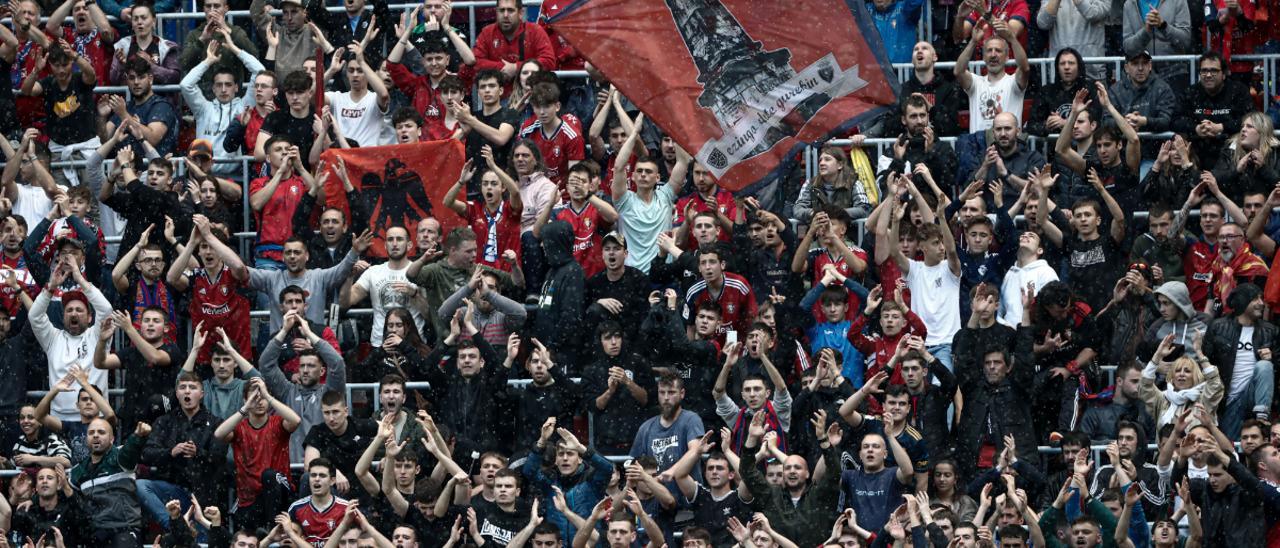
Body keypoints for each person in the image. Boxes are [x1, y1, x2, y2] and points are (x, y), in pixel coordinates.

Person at [737, 410, 843, 548]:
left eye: (797, 468)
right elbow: (747, 471)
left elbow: (834, 472)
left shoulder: (819, 494)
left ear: (807, 474)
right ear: (782, 474)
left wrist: (823, 438)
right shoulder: (770, 494)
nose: (792, 471)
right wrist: (751, 437)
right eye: (787, 468)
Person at [30, 255, 111, 424]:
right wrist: (51, 286)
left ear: (90, 317)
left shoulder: (97, 335)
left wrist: (79, 278)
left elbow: (106, 309)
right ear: (63, 316)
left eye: (79, 310)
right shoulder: (53, 339)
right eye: (69, 310)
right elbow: (35, 316)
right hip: (60, 420)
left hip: (96, 419)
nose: (74, 313)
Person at [214, 377, 302, 532]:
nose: (260, 401)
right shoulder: (239, 428)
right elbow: (219, 434)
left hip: (281, 492)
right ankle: (266, 533)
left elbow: (296, 420)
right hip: (250, 500)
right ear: (245, 400)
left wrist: (268, 396)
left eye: (263, 397)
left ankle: (271, 529)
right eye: (255, 398)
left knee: (269, 475)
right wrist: (245, 408)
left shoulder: (277, 422)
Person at [137, 372, 224, 528]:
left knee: (201, 543)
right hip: (172, 490)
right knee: (141, 486)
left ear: (202, 394)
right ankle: (173, 525)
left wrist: (198, 454)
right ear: (177, 393)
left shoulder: (215, 422)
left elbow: (220, 458)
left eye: (192, 387)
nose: (187, 391)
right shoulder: (164, 421)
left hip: (203, 495)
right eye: (183, 387)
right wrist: (171, 452)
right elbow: (147, 454)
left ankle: (182, 526)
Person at [259, 309, 348, 462]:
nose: (305, 371)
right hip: (290, 468)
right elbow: (265, 364)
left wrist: (310, 335)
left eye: (311, 366)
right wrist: (284, 330)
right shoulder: (287, 391)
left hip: (321, 471)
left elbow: (337, 363)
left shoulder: (329, 392)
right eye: (302, 366)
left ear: (322, 371)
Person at [180, 28, 266, 178]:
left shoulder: (245, 105)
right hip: (203, 175)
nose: (224, 89)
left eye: (228, 84)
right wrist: (207, 62)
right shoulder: (203, 108)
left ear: (236, 87)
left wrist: (235, 50)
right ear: (213, 88)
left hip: (235, 177)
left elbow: (260, 71)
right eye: (219, 85)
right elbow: (185, 85)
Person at [611, 114, 689, 273]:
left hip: (663, 273)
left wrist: (674, 126)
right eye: (639, 171)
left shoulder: (665, 195)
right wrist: (633, 134)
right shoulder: (624, 200)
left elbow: (683, 161)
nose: (643, 175)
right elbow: (619, 167)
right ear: (632, 176)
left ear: (658, 177)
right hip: (634, 276)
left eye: (648, 172)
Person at [1201, 283, 1276, 437]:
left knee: (1264, 366)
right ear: (1242, 301)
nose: (1261, 303)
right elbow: (1205, 363)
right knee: (1231, 449)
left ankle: (1262, 418)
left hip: (1254, 397)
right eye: (1255, 299)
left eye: (1261, 298)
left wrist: (1273, 358)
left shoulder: (1270, 331)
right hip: (1227, 399)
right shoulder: (1218, 327)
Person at [69, 419, 151, 547]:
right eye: (91, 433)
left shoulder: (120, 457)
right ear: (86, 439)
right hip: (94, 533)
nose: (95, 435)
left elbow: (130, 450)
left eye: (101, 432)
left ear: (112, 439)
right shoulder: (77, 471)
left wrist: (137, 436)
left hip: (124, 530)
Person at [582, 321, 655, 453]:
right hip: (606, 443)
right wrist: (610, 391)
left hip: (637, 441)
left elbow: (648, 400)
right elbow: (593, 406)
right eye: (608, 338)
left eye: (617, 336)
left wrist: (628, 382)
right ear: (600, 341)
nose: (614, 342)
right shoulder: (591, 370)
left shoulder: (638, 363)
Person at [1173, 52, 1252, 171]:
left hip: (1232, 152)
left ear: (1224, 74)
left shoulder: (1238, 90)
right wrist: (1196, 128)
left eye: (1214, 71)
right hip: (1197, 153)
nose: (1208, 75)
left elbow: (1251, 118)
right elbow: (1174, 120)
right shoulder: (1191, 92)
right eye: (1204, 71)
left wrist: (1221, 127)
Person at [955, 18, 1031, 132]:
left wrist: (1012, 39)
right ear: (983, 57)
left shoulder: (1013, 82)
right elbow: (958, 71)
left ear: (1007, 57)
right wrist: (973, 41)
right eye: (989, 50)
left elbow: (1025, 68)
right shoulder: (976, 83)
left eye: (998, 51)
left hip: (1007, 146)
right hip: (980, 147)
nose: (993, 54)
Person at [472, 0, 557, 94]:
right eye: (501, 10)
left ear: (521, 13)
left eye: (510, 10)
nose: (505, 15)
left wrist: (516, 68)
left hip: (533, 95)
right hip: (498, 98)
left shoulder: (535, 31)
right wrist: (502, 67)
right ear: (496, 12)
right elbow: (475, 62)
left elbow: (549, 62)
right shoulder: (487, 33)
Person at [795, 146, 871, 224]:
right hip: (818, 232)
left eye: (827, 159)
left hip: (846, 232)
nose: (822, 163)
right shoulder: (810, 183)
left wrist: (836, 213)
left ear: (840, 165)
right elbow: (797, 209)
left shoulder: (853, 182)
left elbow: (864, 209)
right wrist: (814, 213)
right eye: (820, 160)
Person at [288, 457, 352, 545]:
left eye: (322, 475)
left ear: (332, 481)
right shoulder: (296, 508)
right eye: (313, 475)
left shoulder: (346, 508)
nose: (317, 479)